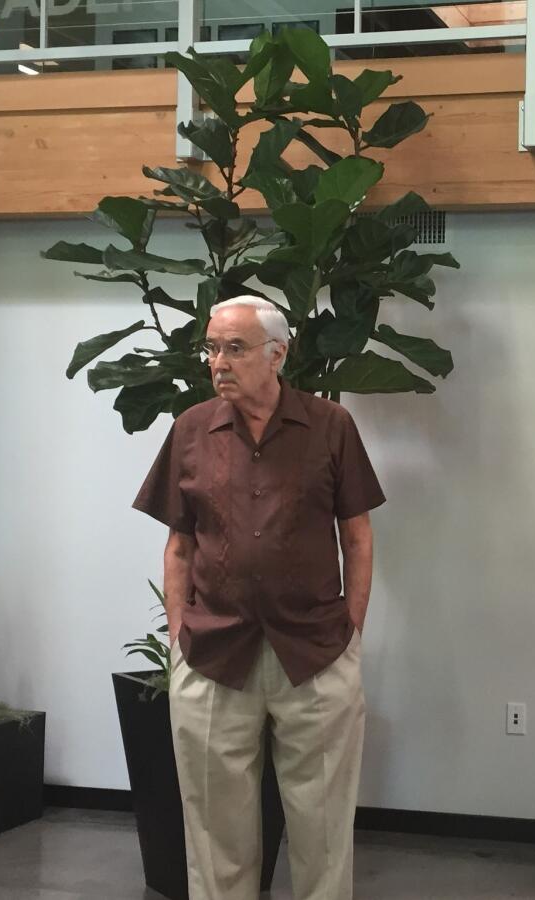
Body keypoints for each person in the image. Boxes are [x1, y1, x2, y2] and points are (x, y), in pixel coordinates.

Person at [133, 296, 384, 900]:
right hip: (214, 653)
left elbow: (357, 535)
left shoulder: (330, 426)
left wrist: (350, 631)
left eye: (234, 348)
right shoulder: (192, 429)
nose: (218, 362)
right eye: (212, 348)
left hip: (315, 653)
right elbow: (179, 547)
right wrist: (177, 635)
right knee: (216, 833)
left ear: (278, 355)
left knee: (322, 832)